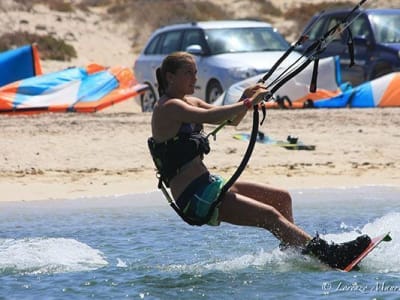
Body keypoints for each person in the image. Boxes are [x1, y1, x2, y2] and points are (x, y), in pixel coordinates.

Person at [148, 51, 371, 270]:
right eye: (189, 73)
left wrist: (246, 98)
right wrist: (248, 102)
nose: (195, 79)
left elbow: (231, 119)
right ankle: (329, 255)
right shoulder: (168, 108)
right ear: (170, 77)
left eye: (195, 72)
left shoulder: (190, 102)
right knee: (269, 216)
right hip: (194, 197)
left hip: (208, 184)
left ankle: (295, 253)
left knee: (281, 198)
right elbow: (212, 117)